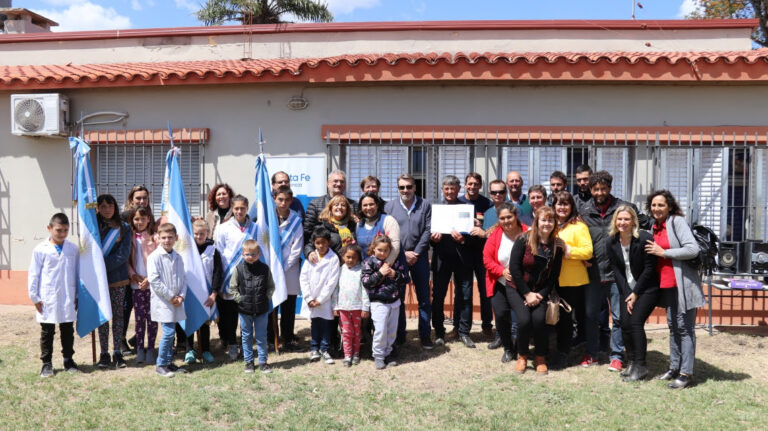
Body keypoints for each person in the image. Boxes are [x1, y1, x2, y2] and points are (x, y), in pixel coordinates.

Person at [580, 171, 651, 371]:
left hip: (618, 275)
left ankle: (617, 355)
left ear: (610, 188)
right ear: (591, 190)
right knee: (591, 316)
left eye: (603, 188)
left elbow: (646, 224)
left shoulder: (623, 209)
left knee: (619, 318)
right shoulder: (584, 212)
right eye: (596, 189)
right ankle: (592, 353)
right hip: (593, 273)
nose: (600, 192)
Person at [644, 190, 706, 389]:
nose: (656, 208)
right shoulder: (654, 226)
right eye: (653, 205)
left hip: (683, 284)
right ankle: (674, 367)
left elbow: (692, 249)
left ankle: (686, 372)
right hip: (666, 285)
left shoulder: (676, 222)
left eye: (661, 205)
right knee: (673, 326)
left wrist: (664, 252)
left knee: (685, 328)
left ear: (669, 206)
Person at [508, 206, 565, 375]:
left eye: (550, 220)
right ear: (537, 222)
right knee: (524, 321)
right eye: (543, 220)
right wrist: (527, 293)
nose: (547, 223)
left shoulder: (557, 246)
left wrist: (540, 295)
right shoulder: (523, 239)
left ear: (555, 223)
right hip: (518, 289)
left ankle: (540, 357)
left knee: (539, 320)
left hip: (540, 292)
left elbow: (554, 276)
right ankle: (523, 356)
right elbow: (514, 269)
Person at [607, 206, 658, 382]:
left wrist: (636, 293)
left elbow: (650, 269)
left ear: (633, 221)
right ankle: (631, 363)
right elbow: (616, 270)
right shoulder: (612, 241)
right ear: (615, 221)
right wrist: (628, 293)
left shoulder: (644, 239)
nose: (623, 223)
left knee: (635, 323)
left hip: (647, 288)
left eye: (627, 219)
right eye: (619, 219)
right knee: (624, 324)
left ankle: (641, 366)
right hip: (626, 289)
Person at [28, 213, 80, 377]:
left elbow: (77, 273)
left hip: (67, 295)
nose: (62, 234)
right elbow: (34, 274)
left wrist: (77, 295)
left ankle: (68, 360)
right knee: (47, 331)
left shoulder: (72, 249)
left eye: (65, 230)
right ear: (49, 228)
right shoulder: (40, 249)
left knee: (67, 330)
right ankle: (47, 363)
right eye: (58, 230)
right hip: (47, 297)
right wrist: (34, 297)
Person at [385, 173, 433, 350]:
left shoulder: (425, 205)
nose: (405, 190)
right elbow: (387, 233)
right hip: (398, 258)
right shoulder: (389, 206)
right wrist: (403, 254)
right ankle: (400, 335)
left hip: (419, 258)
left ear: (415, 187)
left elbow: (428, 230)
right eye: (402, 187)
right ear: (398, 188)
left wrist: (417, 253)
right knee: (398, 298)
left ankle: (425, 335)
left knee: (424, 299)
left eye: (409, 187)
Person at [430, 175, 475, 348]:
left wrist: (463, 240)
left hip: (463, 258)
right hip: (441, 259)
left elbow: (475, 238)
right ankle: (439, 332)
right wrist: (433, 239)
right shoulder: (435, 210)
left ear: (458, 190)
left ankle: (463, 332)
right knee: (438, 296)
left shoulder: (467, 208)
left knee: (464, 295)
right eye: (446, 188)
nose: (450, 191)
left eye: (453, 188)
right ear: (442, 190)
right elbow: (426, 235)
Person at [356, 192, 404, 346]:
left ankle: (393, 344)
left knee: (391, 311)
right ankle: (371, 344)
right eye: (365, 205)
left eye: (371, 204)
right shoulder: (359, 224)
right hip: (369, 274)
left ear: (377, 205)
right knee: (370, 310)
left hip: (388, 272)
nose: (368, 208)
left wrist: (384, 269)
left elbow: (395, 246)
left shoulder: (388, 220)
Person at [482, 203, 528, 362]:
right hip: (499, 282)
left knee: (523, 319)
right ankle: (508, 348)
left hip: (522, 284)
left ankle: (520, 347)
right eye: (502, 218)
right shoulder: (495, 235)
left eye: (509, 217)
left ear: (516, 216)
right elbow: (486, 259)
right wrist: (501, 271)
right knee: (501, 315)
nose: (506, 221)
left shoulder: (528, 232)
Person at [552, 191, 593, 369]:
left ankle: (563, 354)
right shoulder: (551, 224)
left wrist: (568, 250)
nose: (562, 207)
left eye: (566, 204)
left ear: (572, 206)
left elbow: (588, 252)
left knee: (566, 319)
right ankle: (552, 349)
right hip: (552, 279)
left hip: (572, 281)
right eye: (559, 204)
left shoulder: (579, 226)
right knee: (553, 316)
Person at [214, 194, 257, 361]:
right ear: (232, 209)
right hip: (229, 277)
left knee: (246, 315)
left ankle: (246, 346)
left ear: (247, 209)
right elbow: (219, 252)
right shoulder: (223, 228)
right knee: (230, 315)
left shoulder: (255, 227)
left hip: (249, 277)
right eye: (236, 208)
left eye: (242, 208)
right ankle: (232, 343)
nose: (239, 211)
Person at [95, 194, 133, 370]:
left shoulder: (124, 228)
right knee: (102, 317)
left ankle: (117, 351)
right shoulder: (93, 227)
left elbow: (123, 255)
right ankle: (104, 353)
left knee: (118, 316)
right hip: (98, 281)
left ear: (115, 207)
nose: (107, 209)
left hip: (117, 279)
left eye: (110, 205)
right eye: (103, 206)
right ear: (98, 209)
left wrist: (101, 266)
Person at [362, 235, 408, 370]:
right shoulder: (368, 262)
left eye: (386, 250)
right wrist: (380, 273)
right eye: (379, 250)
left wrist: (395, 274)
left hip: (394, 301)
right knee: (380, 330)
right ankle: (378, 356)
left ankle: (388, 354)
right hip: (378, 302)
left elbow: (405, 278)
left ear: (390, 251)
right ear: (373, 249)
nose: (382, 253)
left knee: (391, 331)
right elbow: (366, 282)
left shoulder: (395, 262)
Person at [147, 222, 187, 378]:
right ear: (158, 238)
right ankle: (161, 364)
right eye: (163, 237)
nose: (167, 240)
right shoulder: (154, 257)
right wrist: (171, 297)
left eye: (170, 237)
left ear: (176, 238)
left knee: (173, 332)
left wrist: (181, 296)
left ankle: (169, 362)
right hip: (164, 301)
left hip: (177, 301)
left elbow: (183, 279)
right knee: (169, 333)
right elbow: (154, 281)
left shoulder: (178, 257)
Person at [266, 186, 303, 351]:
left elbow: (297, 248)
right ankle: (269, 338)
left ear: (291, 200)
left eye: (287, 200)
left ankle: (288, 338)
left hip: (290, 270)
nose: (283, 203)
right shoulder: (267, 218)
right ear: (274, 198)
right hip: (269, 269)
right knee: (270, 305)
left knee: (288, 306)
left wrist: (283, 267)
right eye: (280, 199)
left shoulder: (296, 220)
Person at [229, 240, 275, 374]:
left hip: (262, 310)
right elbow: (232, 288)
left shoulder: (265, 269)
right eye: (247, 254)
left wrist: (266, 298)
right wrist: (240, 299)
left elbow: (271, 287)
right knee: (246, 336)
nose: (251, 256)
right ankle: (249, 362)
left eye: (254, 254)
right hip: (244, 310)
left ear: (259, 254)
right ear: (243, 254)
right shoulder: (238, 269)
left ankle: (263, 362)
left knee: (261, 337)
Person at [458, 172, 494, 339]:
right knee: (464, 291)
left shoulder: (487, 203)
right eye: (469, 184)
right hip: (463, 253)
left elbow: (493, 228)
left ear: (480, 186)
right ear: (465, 185)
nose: (472, 187)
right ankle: (463, 329)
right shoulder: (458, 202)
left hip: (483, 253)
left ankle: (487, 325)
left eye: (476, 184)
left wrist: (483, 227)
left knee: (485, 290)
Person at [300, 227, 341, 365]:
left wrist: (321, 299)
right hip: (312, 298)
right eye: (318, 243)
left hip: (326, 299)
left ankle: (325, 349)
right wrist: (309, 298)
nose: (321, 246)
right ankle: (314, 349)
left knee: (327, 324)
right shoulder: (310, 257)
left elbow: (332, 282)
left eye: (324, 242)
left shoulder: (333, 258)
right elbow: (303, 278)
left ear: (329, 242)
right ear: (314, 243)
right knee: (315, 323)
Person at [183, 219, 222, 364]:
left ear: (207, 233)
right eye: (196, 234)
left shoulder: (213, 250)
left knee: (205, 322)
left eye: (202, 234)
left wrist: (214, 293)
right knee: (190, 320)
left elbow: (218, 273)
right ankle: (189, 350)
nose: (199, 237)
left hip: (207, 294)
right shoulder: (187, 250)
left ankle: (205, 349)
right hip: (190, 292)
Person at [120, 185, 150, 353]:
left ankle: (137, 337)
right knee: (126, 306)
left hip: (146, 273)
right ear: (131, 199)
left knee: (148, 309)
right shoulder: (123, 218)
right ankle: (122, 339)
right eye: (138, 198)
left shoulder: (150, 216)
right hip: (127, 271)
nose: (142, 201)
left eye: (144, 198)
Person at [127, 205, 159, 365]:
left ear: (149, 219)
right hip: (136, 285)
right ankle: (140, 348)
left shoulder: (155, 237)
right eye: (136, 219)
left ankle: (151, 349)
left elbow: (160, 260)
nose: (140, 221)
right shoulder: (130, 237)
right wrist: (133, 274)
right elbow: (127, 260)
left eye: (143, 218)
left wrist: (150, 279)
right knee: (139, 318)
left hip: (152, 285)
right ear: (132, 220)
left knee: (152, 318)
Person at [334, 244, 370, 367]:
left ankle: (356, 354)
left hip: (357, 308)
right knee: (347, 332)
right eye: (348, 257)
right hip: (343, 308)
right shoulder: (339, 270)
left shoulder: (361, 271)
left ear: (358, 258)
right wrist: (335, 306)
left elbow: (365, 290)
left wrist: (365, 307)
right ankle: (347, 355)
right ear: (343, 256)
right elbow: (335, 289)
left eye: (353, 257)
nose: (350, 260)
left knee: (357, 332)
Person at [303, 170, 357, 248]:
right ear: (328, 183)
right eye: (335, 181)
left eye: (342, 182)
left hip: (348, 255)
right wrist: (310, 252)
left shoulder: (353, 205)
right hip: (322, 254)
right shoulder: (315, 204)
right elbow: (307, 232)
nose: (339, 184)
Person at [305, 194, 357, 260]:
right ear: (331, 208)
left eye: (343, 205)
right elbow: (310, 244)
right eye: (336, 205)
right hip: (327, 265)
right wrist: (310, 252)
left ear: (347, 209)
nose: (340, 207)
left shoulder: (353, 226)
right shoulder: (322, 226)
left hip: (347, 265)